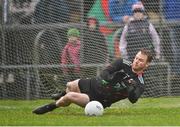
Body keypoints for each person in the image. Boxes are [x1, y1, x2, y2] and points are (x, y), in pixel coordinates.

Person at [32, 48, 153, 115]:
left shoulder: (140, 83)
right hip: (93, 83)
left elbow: (133, 99)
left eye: (141, 60)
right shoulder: (123, 62)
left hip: (99, 99)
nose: (136, 61)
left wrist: (130, 87)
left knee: (69, 96)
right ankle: (61, 94)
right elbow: (105, 73)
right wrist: (110, 79)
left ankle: (51, 107)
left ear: (147, 65)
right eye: (136, 58)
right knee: (70, 85)